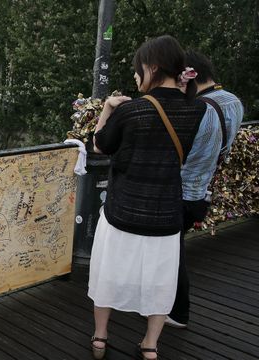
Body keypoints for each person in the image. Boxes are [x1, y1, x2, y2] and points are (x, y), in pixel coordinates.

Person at [87, 35, 207, 360]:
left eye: (138, 70)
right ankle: (150, 345)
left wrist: (108, 108)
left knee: (108, 272)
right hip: (166, 212)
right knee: (160, 281)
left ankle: (100, 337)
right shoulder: (197, 109)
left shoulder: (134, 110)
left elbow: (100, 145)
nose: (136, 77)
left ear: (152, 67)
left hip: (123, 209)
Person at [167, 50, 245, 329]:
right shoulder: (233, 101)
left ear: (191, 76)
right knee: (173, 249)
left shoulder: (199, 110)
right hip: (202, 194)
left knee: (172, 254)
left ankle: (177, 312)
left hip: (181, 194)